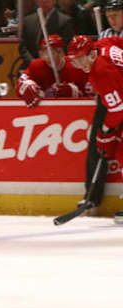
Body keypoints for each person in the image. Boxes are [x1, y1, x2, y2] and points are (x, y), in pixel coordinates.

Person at [67, 35, 123, 223]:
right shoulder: (104, 44)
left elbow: (117, 110)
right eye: (75, 61)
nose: (80, 64)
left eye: (82, 59)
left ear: (92, 54)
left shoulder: (100, 72)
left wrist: (105, 130)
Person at [76, 0, 123, 217]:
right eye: (110, 15)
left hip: (116, 96)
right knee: (99, 143)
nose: (113, 19)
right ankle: (92, 196)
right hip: (109, 97)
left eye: (117, 15)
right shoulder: (104, 36)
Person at [17, 34, 93, 108]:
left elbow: (93, 97)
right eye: (43, 54)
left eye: (51, 54)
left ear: (61, 53)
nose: (46, 58)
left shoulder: (77, 66)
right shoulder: (37, 66)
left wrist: (75, 92)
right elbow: (20, 83)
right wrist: (26, 86)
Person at [19, 0, 74, 68]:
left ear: (54, 1)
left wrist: (49, 62)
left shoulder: (64, 21)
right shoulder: (27, 20)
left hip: (54, 67)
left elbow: (66, 47)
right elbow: (23, 46)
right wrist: (33, 62)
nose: (44, 1)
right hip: (31, 66)